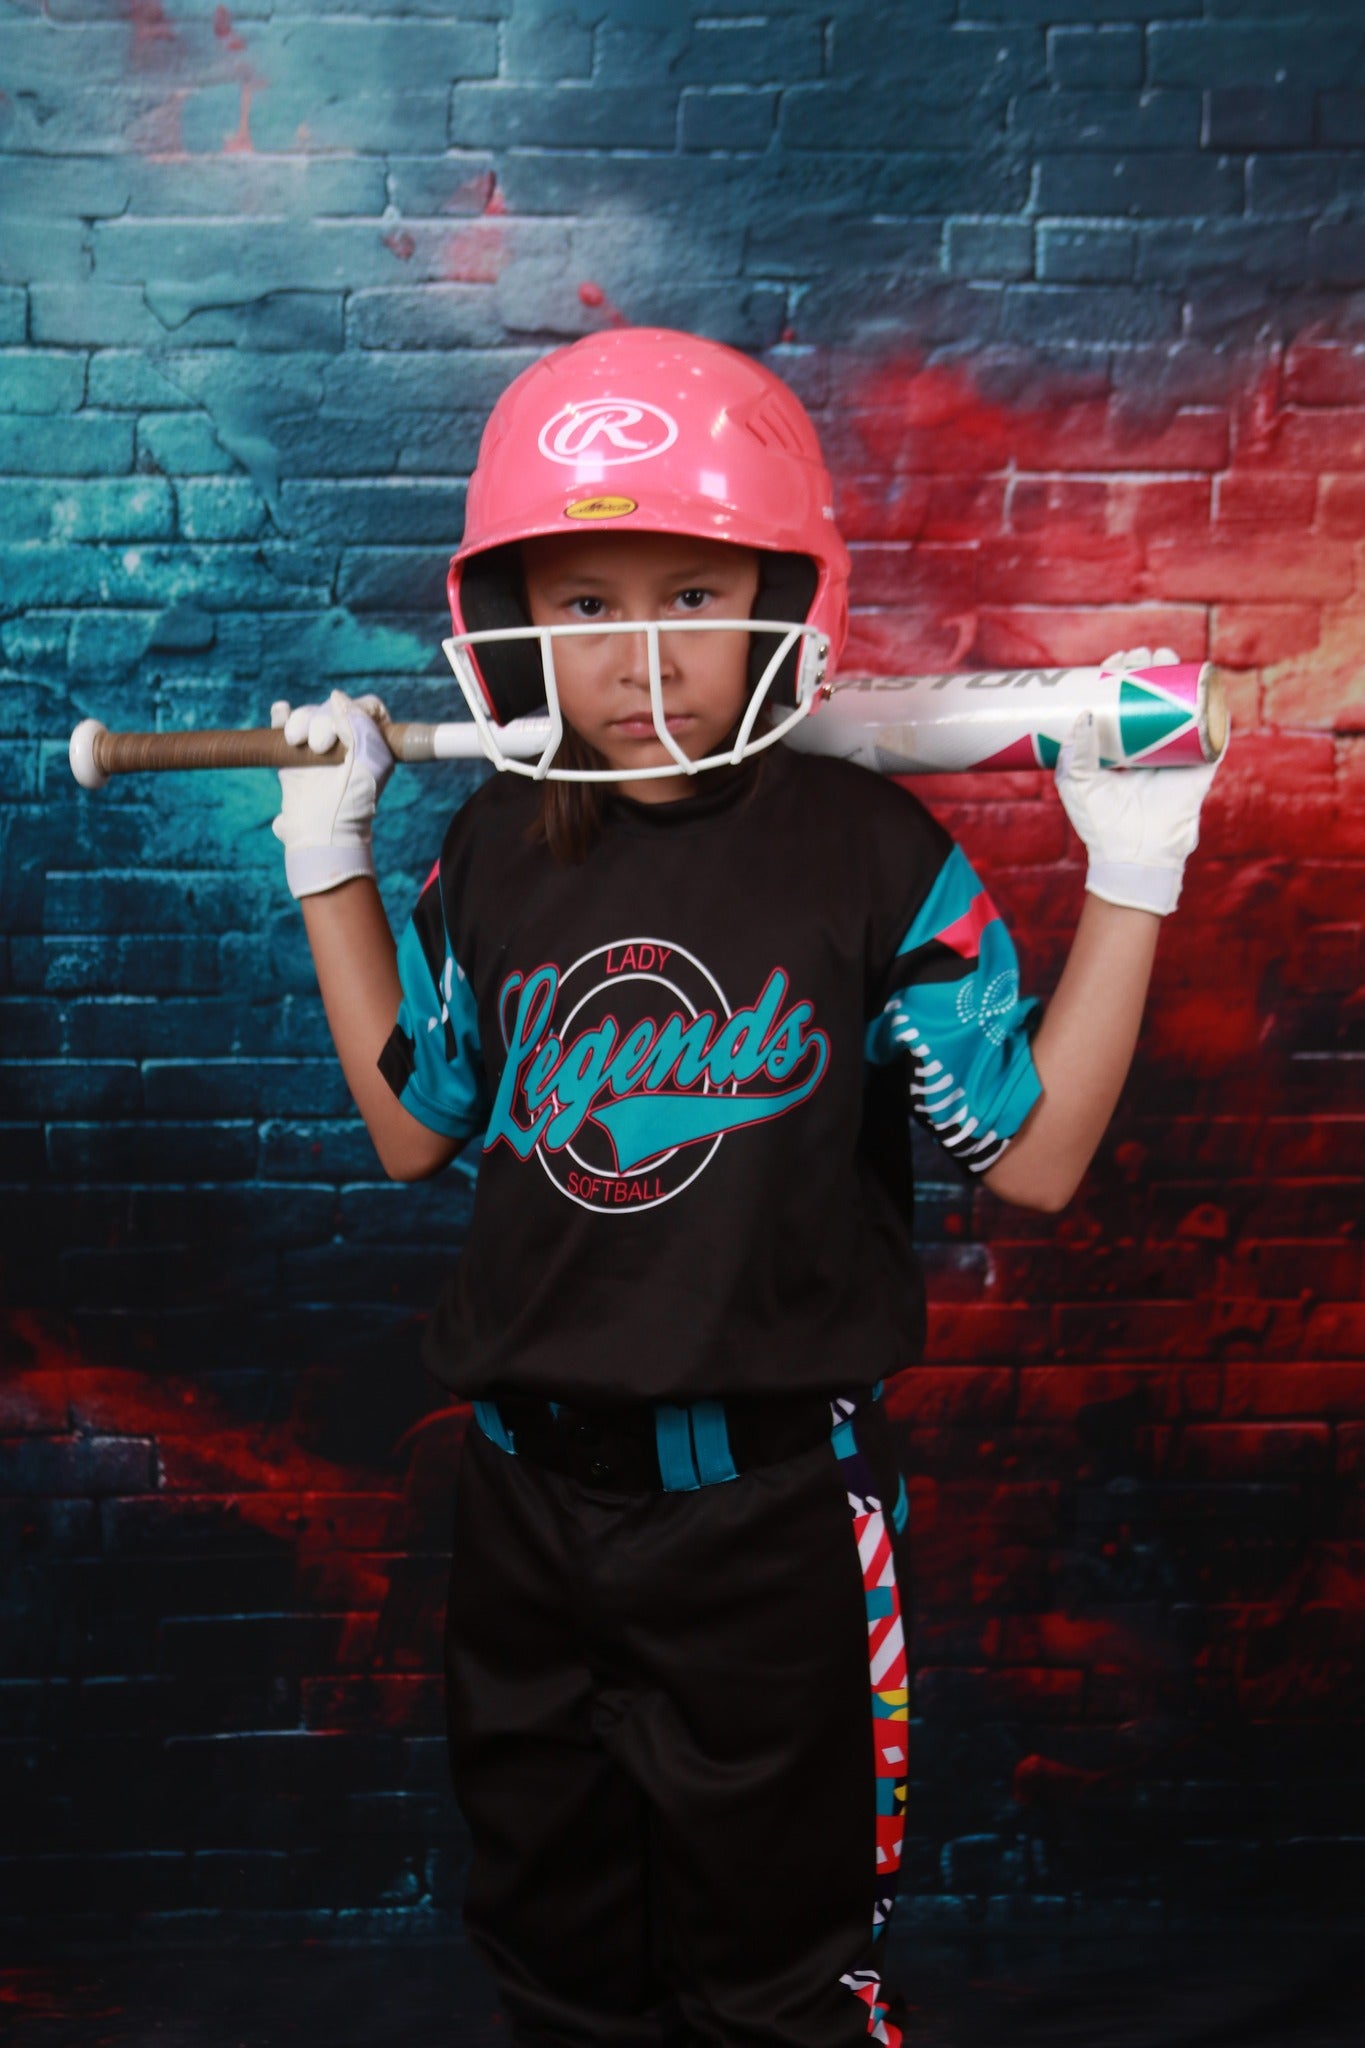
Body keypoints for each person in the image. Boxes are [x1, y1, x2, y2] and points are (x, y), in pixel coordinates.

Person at [268, 329, 1225, 2048]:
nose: (639, 658)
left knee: (776, 1984)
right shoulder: (490, 845)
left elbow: (1036, 1157)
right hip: (525, 1515)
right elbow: (418, 1128)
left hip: (770, 1524)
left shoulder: (873, 856)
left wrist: (1133, 866)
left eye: (692, 592)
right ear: (508, 626)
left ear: (787, 595)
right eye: (582, 606)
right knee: (558, 1968)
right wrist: (327, 855)